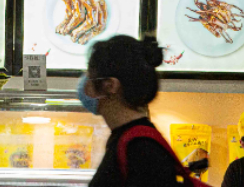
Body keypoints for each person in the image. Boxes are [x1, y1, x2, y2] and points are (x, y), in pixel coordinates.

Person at [77, 35, 183, 187]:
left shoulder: (140, 148)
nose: (84, 85)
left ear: (110, 85)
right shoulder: (128, 140)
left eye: (90, 77)